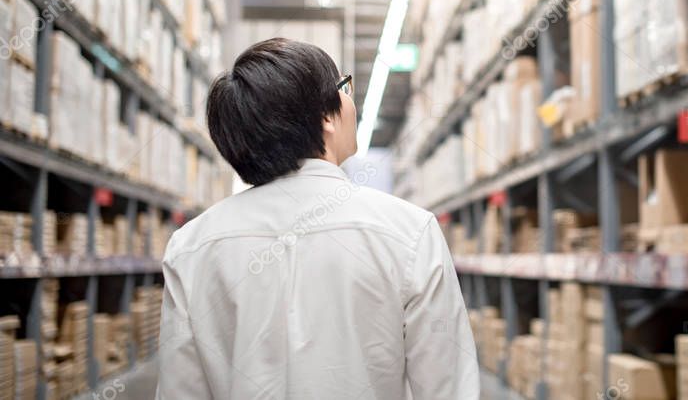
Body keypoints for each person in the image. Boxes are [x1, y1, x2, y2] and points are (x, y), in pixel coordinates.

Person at [156, 38, 479, 399]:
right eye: (345, 89)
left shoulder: (192, 247)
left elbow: (180, 390)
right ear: (326, 116)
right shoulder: (409, 232)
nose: (351, 101)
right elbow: (447, 387)